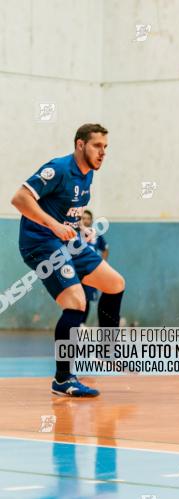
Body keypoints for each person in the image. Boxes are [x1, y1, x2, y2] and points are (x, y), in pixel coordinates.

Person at [11, 123, 125, 397]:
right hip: (40, 242)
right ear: (80, 145)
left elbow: (68, 211)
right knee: (76, 302)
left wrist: (79, 227)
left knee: (115, 284)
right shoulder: (59, 168)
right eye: (97, 146)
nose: (102, 152)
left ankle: (107, 351)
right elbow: (19, 199)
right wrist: (54, 226)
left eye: (106, 147)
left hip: (68, 241)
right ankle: (63, 379)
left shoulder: (88, 175)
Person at [79, 209, 109, 324]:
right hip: (77, 270)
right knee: (77, 297)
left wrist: (103, 264)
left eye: (88, 218)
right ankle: (75, 324)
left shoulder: (96, 235)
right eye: (84, 218)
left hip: (91, 271)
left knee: (87, 298)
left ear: (91, 220)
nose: (86, 221)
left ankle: (82, 324)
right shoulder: (76, 234)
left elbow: (105, 249)